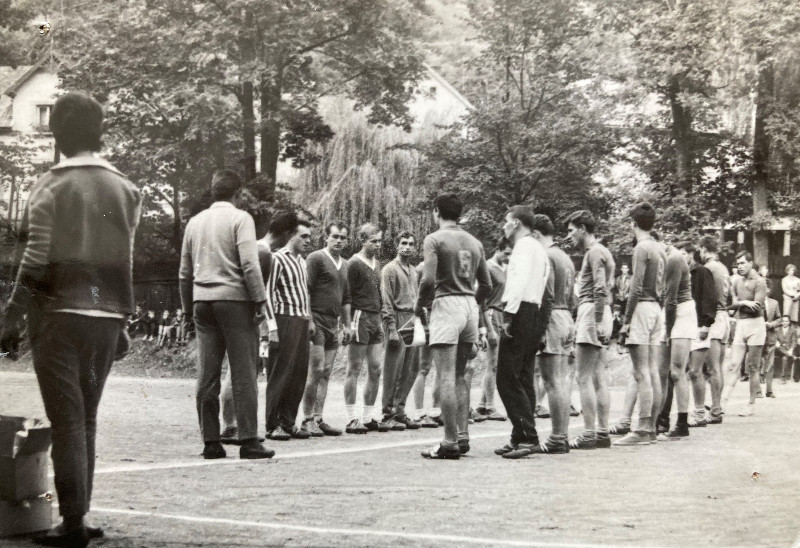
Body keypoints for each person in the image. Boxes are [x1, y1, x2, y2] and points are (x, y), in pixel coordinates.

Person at [0, 92, 141, 546]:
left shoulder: (49, 185)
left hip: (57, 318)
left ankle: (74, 524)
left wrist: (11, 314)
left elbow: (36, 258)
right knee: (88, 421)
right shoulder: (125, 188)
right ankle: (80, 518)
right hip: (104, 317)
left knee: (67, 422)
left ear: (57, 134)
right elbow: (125, 261)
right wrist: (123, 318)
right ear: (98, 131)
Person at [179, 169, 273, 461]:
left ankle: (210, 441)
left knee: (206, 374)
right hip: (234, 302)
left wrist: (186, 310)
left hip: (202, 302)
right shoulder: (240, 218)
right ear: (237, 193)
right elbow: (249, 263)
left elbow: (184, 272)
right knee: (244, 371)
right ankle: (248, 440)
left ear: (213, 191)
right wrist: (260, 301)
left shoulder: (194, 223)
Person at [417, 193, 491, 459]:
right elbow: (487, 284)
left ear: (436, 211)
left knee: (446, 375)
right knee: (460, 375)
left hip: (446, 303)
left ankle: (449, 442)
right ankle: (462, 435)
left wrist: (420, 307)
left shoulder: (434, 239)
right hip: (469, 305)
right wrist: (472, 304)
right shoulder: (474, 241)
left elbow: (427, 281)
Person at [491, 206, 551, 460]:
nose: (504, 226)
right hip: (534, 310)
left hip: (521, 310)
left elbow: (517, 282)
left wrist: (508, 315)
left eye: (506, 222)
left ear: (516, 223)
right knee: (524, 374)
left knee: (506, 377)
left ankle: (528, 436)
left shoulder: (524, 247)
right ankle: (520, 435)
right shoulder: (538, 247)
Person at [562, 210, 615, 450]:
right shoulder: (604, 251)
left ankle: (589, 434)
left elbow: (601, 288)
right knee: (597, 376)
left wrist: (594, 319)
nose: (570, 234)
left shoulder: (594, 252)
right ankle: (602, 432)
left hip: (593, 311)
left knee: (583, 377)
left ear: (583, 228)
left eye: (572, 229)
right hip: (602, 313)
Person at [616, 203, 666, 446]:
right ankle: (651, 427)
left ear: (633, 223)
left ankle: (643, 429)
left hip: (643, 308)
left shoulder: (641, 248)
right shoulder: (659, 247)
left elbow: (635, 287)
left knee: (641, 372)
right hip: (657, 309)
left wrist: (626, 321)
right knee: (652, 370)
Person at [264, 220, 316, 441]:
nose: (308, 240)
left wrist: (310, 320)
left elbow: (304, 293)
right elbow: (267, 294)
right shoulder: (277, 259)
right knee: (280, 373)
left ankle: (288, 421)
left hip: (302, 321)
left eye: (309, 236)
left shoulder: (302, 262)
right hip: (284, 320)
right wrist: (272, 327)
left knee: (298, 373)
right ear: (291, 236)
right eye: (303, 236)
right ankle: (272, 423)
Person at [300, 222, 352, 437]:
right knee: (316, 369)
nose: (339, 241)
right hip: (317, 320)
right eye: (335, 236)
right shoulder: (316, 258)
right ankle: (306, 419)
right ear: (326, 238)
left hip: (334, 322)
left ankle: (319, 418)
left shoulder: (345, 264)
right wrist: (310, 320)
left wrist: (348, 325)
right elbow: (307, 290)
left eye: (343, 237)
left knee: (327, 372)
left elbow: (346, 297)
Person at [529, 214, 575, 454]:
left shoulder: (545, 255)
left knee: (551, 381)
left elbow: (545, 296)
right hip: (566, 315)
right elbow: (573, 297)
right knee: (561, 380)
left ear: (536, 234)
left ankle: (558, 437)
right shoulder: (565, 257)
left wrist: (540, 327)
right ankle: (562, 435)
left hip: (553, 317)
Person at [344, 224, 389, 434]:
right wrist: (347, 324)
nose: (377, 245)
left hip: (375, 317)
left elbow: (379, 293)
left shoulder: (377, 264)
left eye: (380, 241)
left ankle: (367, 416)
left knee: (376, 368)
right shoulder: (353, 263)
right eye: (373, 241)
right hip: (359, 317)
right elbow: (347, 295)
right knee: (354, 368)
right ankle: (352, 418)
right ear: (363, 240)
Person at [655, 239, 698, 440]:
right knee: (661, 371)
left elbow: (671, 300)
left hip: (681, 311)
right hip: (670, 311)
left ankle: (682, 423)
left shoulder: (674, 258)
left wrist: (668, 330)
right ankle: (658, 421)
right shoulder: (662, 258)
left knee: (677, 372)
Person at [380, 231, 421, 430]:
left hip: (413, 320)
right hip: (397, 319)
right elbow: (386, 300)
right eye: (403, 243)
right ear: (397, 246)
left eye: (411, 244)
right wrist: (391, 327)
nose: (407, 247)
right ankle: (387, 413)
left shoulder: (414, 271)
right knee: (393, 368)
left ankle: (399, 410)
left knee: (411, 368)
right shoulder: (389, 269)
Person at [721, 251, 767, 416]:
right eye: (738, 264)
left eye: (742, 263)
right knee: (733, 365)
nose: (739, 267)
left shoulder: (760, 282)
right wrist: (743, 302)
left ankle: (750, 404)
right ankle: (722, 402)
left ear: (750, 263)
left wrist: (739, 304)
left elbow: (757, 307)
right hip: (741, 324)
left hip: (756, 326)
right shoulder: (737, 281)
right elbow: (729, 305)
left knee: (753, 367)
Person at [681, 242, 718, 428]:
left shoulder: (702, 272)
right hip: (684, 327)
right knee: (685, 372)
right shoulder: (681, 273)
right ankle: (690, 413)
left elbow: (710, 298)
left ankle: (700, 413)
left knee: (696, 371)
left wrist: (706, 323)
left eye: (682, 253)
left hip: (699, 326)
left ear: (691, 254)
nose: (680, 257)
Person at [695, 235, 730, 424]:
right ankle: (716, 407)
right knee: (718, 367)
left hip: (715, 317)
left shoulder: (708, 268)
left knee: (711, 367)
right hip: (724, 316)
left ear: (703, 249)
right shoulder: (723, 267)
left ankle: (715, 410)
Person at [476, 238, 512, 421]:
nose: (508, 256)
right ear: (497, 249)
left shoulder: (506, 268)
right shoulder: (488, 267)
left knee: (496, 362)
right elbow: (480, 298)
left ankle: (483, 405)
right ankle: (490, 406)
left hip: (501, 314)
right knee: (493, 363)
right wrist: (487, 328)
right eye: (506, 253)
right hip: (490, 314)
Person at [410, 260, 442, 428]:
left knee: (441, 366)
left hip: (442, 318)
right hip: (426, 318)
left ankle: (436, 411)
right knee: (423, 366)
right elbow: (415, 296)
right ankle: (419, 412)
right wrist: (420, 317)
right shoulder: (421, 269)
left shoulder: (444, 267)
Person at [758, 282, 781, 398]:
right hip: (757, 336)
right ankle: (757, 390)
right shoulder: (755, 303)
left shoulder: (774, 303)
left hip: (771, 336)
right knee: (757, 362)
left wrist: (771, 324)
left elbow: (779, 318)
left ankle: (769, 390)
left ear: (769, 289)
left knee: (770, 364)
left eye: (766, 288)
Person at [775, 315, 796, 384]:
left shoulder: (792, 330)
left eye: (786, 321)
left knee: (785, 358)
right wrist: (776, 342)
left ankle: (783, 378)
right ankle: (790, 355)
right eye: (783, 321)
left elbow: (794, 341)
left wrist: (791, 350)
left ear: (789, 322)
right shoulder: (777, 330)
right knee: (778, 348)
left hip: (787, 350)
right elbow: (775, 339)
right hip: (778, 349)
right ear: (781, 322)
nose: (785, 323)